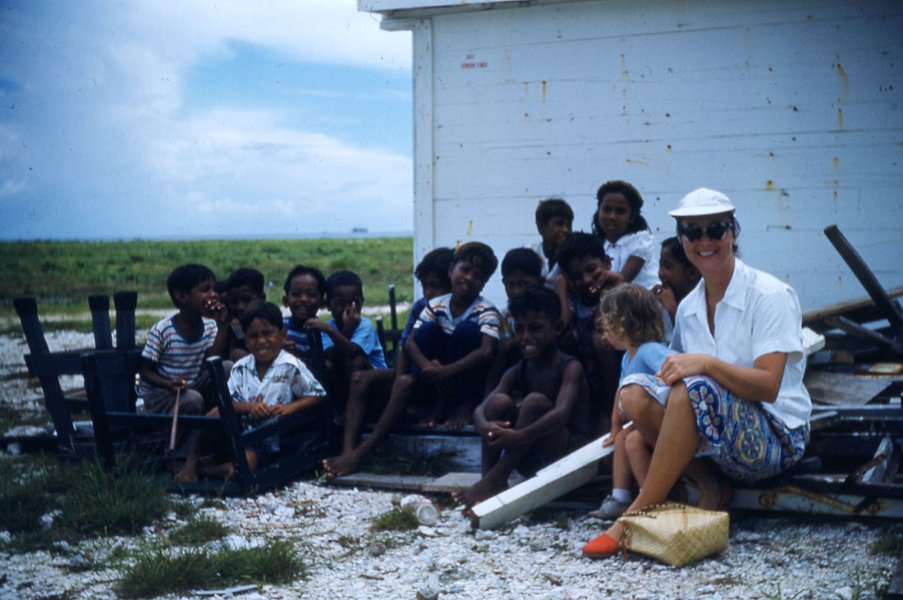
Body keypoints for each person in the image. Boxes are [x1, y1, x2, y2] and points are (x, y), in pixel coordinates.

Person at [583, 187, 812, 557]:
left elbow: (769, 387)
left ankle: (635, 513)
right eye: (692, 232)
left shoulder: (770, 295)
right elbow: (670, 387)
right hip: (721, 442)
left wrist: (705, 364)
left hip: (777, 437)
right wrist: (631, 423)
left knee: (697, 385)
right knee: (635, 390)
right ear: (682, 240)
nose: (704, 241)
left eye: (716, 230)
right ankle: (709, 486)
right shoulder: (689, 308)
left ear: (732, 233)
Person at [320, 242, 501, 477]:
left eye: (478, 276)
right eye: (465, 270)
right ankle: (348, 452)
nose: (469, 278)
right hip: (428, 374)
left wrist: (443, 371)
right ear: (452, 270)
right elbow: (410, 344)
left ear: (484, 282)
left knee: (465, 332)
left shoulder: (486, 310)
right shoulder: (432, 306)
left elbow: (487, 352)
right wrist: (424, 369)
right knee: (367, 377)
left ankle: (362, 453)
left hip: (457, 380)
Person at [457, 285, 593, 507]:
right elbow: (482, 408)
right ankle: (489, 478)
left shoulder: (570, 366)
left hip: (566, 456)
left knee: (534, 402)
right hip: (529, 456)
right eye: (519, 329)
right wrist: (484, 426)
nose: (525, 337)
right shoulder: (520, 368)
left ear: (557, 328)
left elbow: (561, 413)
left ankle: (495, 478)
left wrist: (521, 436)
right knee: (498, 403)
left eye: (535, 328)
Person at [176, 301, 329, 481]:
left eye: (267, 334)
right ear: (246, 340)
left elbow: (317, 394)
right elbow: (228, 403)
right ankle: (192, 460)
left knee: (243, 467)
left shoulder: (289, 365)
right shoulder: (241, 367)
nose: (261, 341)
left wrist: (289, 408)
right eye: (254, 336)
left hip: (271, 441)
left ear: (282, 335)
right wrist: (250, 408)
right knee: (215, 413)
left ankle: (206, 469)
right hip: (239, 431)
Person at [587, 284, 672, 519]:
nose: (605, 334)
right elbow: (620, 392)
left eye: (608, 326)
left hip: (660, 420)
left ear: (624, 323)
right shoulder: (628, 357)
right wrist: (615, 426)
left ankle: (650, 498)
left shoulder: (650, 351)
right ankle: (621, 496)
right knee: (624, 437)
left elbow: (673, 369)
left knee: (633, 440)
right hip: (639, 420)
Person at [137, 264, 230, 459]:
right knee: (193, 399)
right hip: (162, 395)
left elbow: (211, 363)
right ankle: (180, 458)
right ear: (182, 297)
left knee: (226, 368)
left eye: (214, 289)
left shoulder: (211, 326)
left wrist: (223, 325)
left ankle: (217, 440)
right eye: (205, 290)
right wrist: (168, 384)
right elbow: (146, 372)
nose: (214, 294)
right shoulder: (162, 330)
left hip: (191, 387)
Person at [556, 232, 623, 433]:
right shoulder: (573, 299)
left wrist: (618, 283)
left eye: (591, 269)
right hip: (586, 381)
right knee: (564, 340)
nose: (586, 280)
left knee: (601, 342)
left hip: (616, 381)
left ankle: (609, 410)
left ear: (606, 263)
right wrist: (561, 287)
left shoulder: (618, 289)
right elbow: (561, 327)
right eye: (576, 276)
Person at [308, 270, 387, 415]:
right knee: (326, 365)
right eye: (340, 303)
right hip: (346, 381)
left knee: (354, 362)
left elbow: (352, 352)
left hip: (376, 382)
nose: (347, 309)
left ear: (362, 302)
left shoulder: (364, 325)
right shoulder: (327, 327)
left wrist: (342, 330)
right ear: (327, 305)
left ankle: (366, 410)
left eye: (354, 302)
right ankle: (339, 410)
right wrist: (336, 331)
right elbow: (333, 356)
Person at [592, 180, 659, 289]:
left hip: (643, 302)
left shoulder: (641, 240)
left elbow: (622, 281)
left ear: (632, 216)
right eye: (606, 209)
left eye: (620, 211)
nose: (612, 216)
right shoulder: (595, 245)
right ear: (599, 210)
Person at [282, 264, 327, 367]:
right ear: (285, 301)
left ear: (322, 303)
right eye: (296, 294)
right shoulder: (278, 327)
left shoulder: (324, 332)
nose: (303, 299)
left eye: (311, 294)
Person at [652, 236, 701, 327]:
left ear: (692, 273)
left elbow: (692, 338)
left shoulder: (703, 304)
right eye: (660, 265)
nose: (660, 273)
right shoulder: (662, 303)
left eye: (667, 266)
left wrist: (673, 311)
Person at [223, 267, 267, 362]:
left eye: (246, 300)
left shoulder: (270, 324)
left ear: (262, 298)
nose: (240, 307)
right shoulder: (231, 325)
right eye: (234, 301)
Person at [532, 197, 574, 286]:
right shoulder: (530, 253)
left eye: (569, 225)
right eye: (560, 224)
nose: (566, 230)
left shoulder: (574, 257)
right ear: (541, 228)